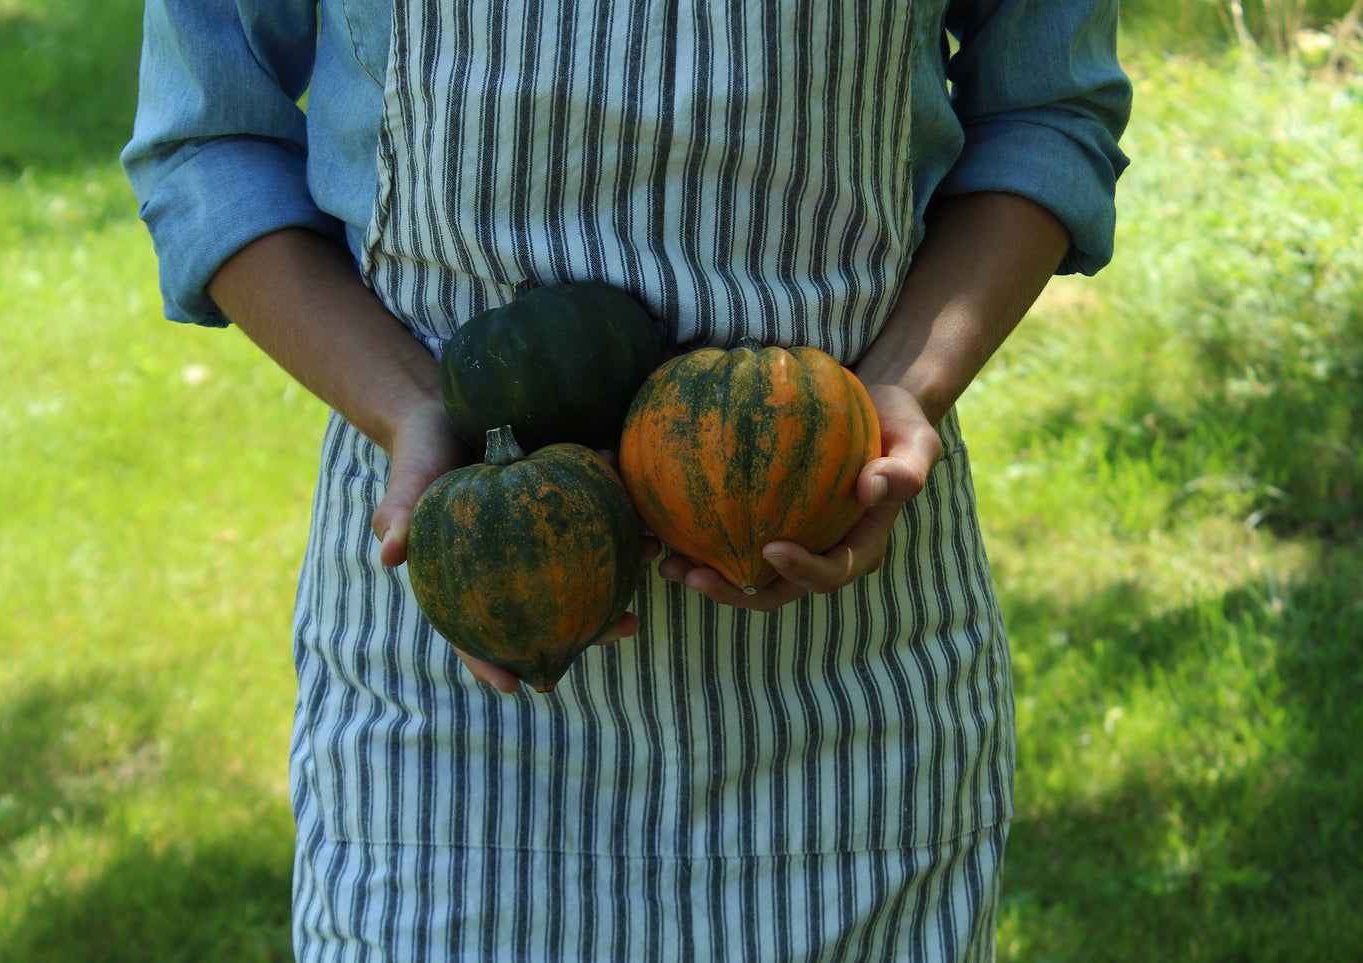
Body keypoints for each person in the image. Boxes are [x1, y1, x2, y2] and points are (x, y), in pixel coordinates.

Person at [123, 0, 1130, 958]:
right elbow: (211, 139)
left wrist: (901, 385)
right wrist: (408, 408)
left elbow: (1041, 109)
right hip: (450, 691)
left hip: (851, 677)